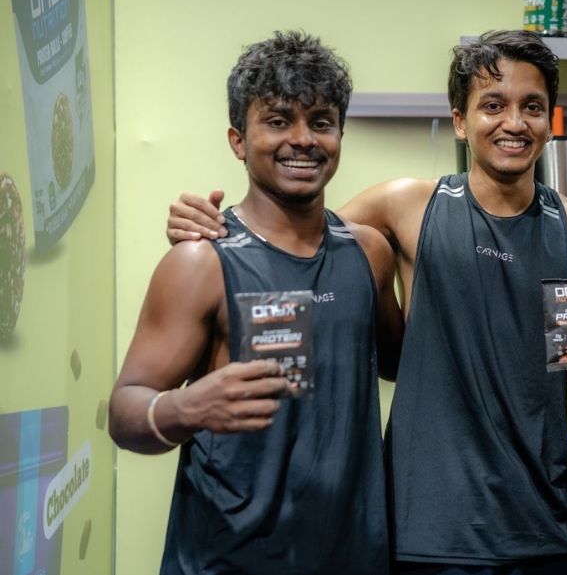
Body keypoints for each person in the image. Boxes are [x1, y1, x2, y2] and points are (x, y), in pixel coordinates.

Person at [166, 30, 567, 575]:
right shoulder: (405, 206)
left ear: (549, 120)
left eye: (531, 107)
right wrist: (204, 228)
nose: (513, 122)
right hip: (423, 529)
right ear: (460, 121)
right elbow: (290, 239)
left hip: (546, 523)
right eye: (492, 106)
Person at [110, 31, 403, 575]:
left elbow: (396, 362)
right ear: (238, 140)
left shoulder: (369, 253)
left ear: (340, 134)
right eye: (278, 120)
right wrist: (187, 408)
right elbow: (124, 413)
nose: (303, 139)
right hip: (228, 559)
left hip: (353, 557)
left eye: (321, 122)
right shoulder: (200, 262)